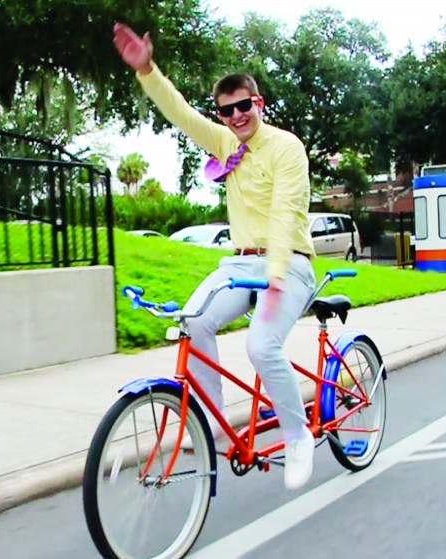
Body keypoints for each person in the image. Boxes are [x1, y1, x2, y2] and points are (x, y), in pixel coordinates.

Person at [112, 22, 318, 490]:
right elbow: (179, 113)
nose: (237, 116)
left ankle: (297, 435)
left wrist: (278, 278)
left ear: (258, 103)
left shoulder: (287, 148)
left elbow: (286, 215)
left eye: (244, 106)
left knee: (260, 345)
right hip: (240, 263)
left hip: (291, 263)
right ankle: (209, 422)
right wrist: (147, 71)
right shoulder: (225, 141)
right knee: (193, 321)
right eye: (227, 111)